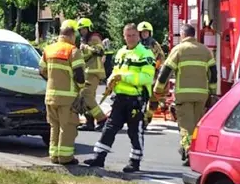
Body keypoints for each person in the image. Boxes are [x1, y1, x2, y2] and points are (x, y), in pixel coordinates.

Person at [84, 23, 155, 173]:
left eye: (133, 35)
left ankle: (134, 162)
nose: (130, 38)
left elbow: (146, 78)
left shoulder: (145, 53)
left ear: (138, 36)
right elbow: (115, 71)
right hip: (120, 98)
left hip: (136, 99)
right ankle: (99, 158)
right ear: (123, 36)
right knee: (109, 128)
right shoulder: (121, 52)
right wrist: (111, 82)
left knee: (135, 131)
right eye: (127, 35)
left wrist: (123, 77)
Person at [153, 23, 216, 166]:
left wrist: (158, 88)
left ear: (182, 35)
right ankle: (198, 151)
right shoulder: (205, 50)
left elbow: (165, 71)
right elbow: (213, 73)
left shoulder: (178, 50)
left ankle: (188, 151)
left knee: (186, 127)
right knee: (197, 125)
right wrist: (212, 92)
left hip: (184, 95)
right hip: (201, 95)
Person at [38, 20, 86, 165]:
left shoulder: (49, 49)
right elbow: (79, 75)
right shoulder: (73, 51)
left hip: (50, 96)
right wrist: (81, 88)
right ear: (72, 36)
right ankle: (65, 157)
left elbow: (41, 71)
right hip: (68, 97)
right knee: (68, 127)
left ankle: (54, 155)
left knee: (54, 126)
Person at [77, 19, 107, 131]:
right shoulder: (84, 39)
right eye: (80, 30)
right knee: (87, 98)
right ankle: (89, 123)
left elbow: (100, 51)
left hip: (93, 71)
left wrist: (85, 48)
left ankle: (102, 119)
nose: (82, 31)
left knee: (86, 95)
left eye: (84, 29)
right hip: (87, 71)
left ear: (89, 28)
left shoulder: (94, 37)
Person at [138, 21, 165, 131]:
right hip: (139, 76)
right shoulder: (136, 45)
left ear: (150, 33)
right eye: (142, 32)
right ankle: (140, 120)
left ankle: (147, 119)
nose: (144, 34)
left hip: (152, 76)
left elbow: (161, 57)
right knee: (140, 99)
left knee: (153, 101)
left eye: (146, 32)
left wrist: (155, 68)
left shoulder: (154, 44)